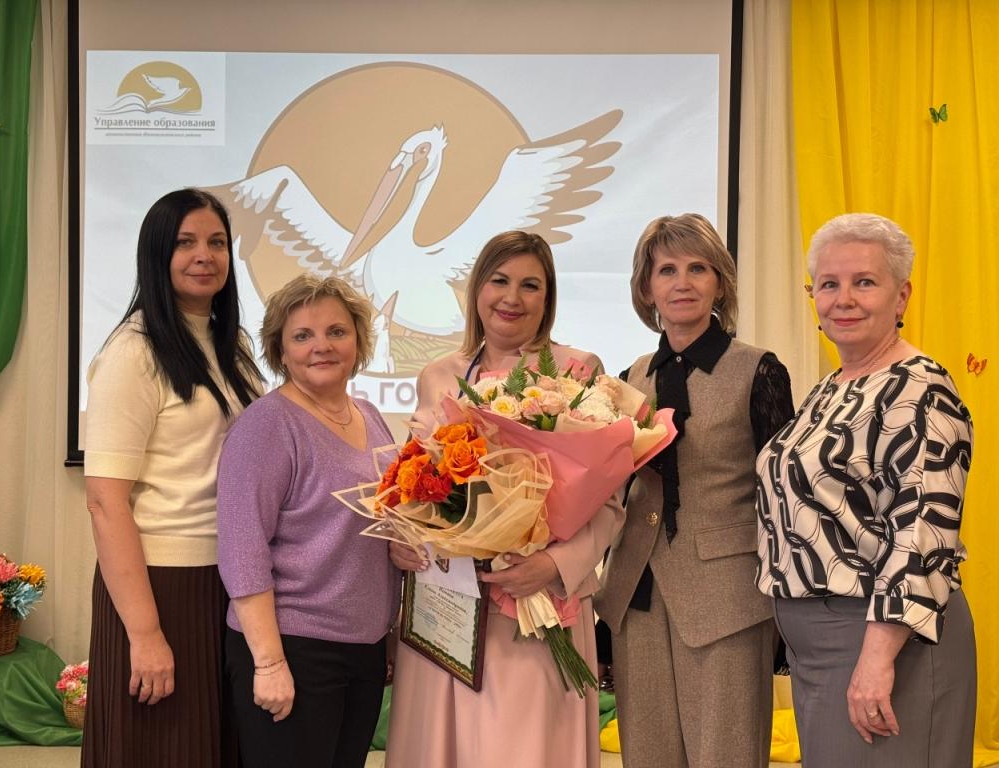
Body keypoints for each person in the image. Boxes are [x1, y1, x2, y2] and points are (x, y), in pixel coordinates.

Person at [385, 230, 625, 768]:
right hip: (448, 605)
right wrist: (402, 539)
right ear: (477, 289)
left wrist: (553, 565)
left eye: (530, 285)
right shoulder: (438, 375)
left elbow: (609, 503)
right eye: (499, 281)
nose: (512, 298)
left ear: (548, 297)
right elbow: (412, 486)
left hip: (537, 606)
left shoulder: (578, 371)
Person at [756, 213, 976, 766]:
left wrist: (877, 658)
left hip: (887, 640)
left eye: (865, 282)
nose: (844, 299)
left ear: (902, 296)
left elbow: (922, 532)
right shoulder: (832, 387)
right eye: (829, 284)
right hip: (822, 646)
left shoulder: (921, 388)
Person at [594, 213, 794, 768]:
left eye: (698, 268)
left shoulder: (759, 371)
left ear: (720, 283)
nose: (682, 283)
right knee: (647, 757)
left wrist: (787, 606)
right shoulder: (625, 380)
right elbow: (617, 493)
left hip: (728, 599)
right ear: (646, 288)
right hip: (636, 596)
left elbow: (783, 497)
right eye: (667, 270)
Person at [83, 188, 263, 767]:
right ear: (157, 254)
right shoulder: (134, 350)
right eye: (186, 242)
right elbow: (104, 501)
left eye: (217, 242)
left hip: (228, 577)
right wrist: (145, 633)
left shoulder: (232, 343)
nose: (204, 255)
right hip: (160, 584)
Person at [217, 275, 401, 768]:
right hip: (293, 649)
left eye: (336, 331)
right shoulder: (266, 425)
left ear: (358, 340)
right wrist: (269, 663)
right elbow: (242, 552)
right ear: (281, 350)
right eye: (303, 335)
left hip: (362, 649)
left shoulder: (370, 415)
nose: (322, 346)